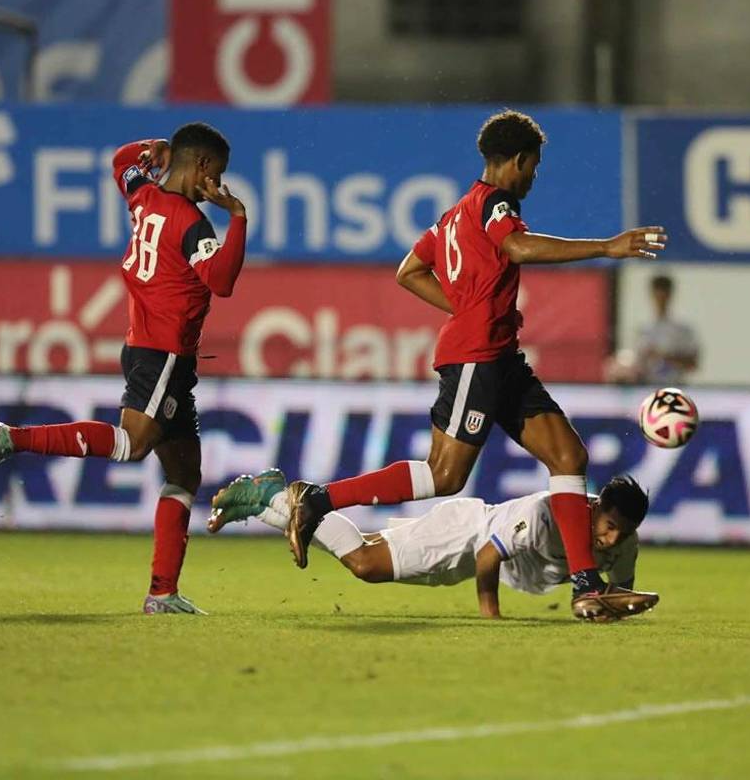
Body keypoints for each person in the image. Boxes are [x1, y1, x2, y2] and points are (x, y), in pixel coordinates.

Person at [210, 109, 665, 621]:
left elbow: (410, 271)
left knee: (568, 459)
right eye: (533, 166)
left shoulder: (453, 216)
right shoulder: (497, 204)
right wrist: (606, 246)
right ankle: (318, 499)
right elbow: (515, 247)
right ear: (516, 161)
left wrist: (471, 306)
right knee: (445, 475)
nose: (534, 177)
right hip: (478, 358)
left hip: (500, 356)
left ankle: (585, 585)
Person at [0, 122, 248, 615]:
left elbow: (122, 161)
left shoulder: (143, 197)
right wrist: (239, 216)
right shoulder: (192, 223)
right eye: (218, 174)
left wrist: (151, 148)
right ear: (203, 166)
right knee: (132, 445)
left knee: (185, 473)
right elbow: (222, 281)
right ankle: (11, 438)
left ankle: (162, 593)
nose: (218, 187)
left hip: (158, 354)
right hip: (162, 353)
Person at [208, 470, 657, 621]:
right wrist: (491, 616)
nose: (611, 538)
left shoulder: (624, 543)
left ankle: (264, 501)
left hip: (464, 552)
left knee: (365, 550)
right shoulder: (547, 513)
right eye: (609, 525)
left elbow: (614, 594)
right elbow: (487, 556)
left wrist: (616, 609)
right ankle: (270, 497)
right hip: (464, 537)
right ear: (595, 505)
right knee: (365, 564)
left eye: (623, 531)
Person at [635, 274, 700, 384]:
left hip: (676, 384)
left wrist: (665, 357)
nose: (661, 300)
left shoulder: (683, 328)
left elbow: (693, 364)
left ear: (670, 295)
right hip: (648, 386)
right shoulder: (644, 327)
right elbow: (638, 363)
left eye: (664, 295)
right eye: (658, 295)